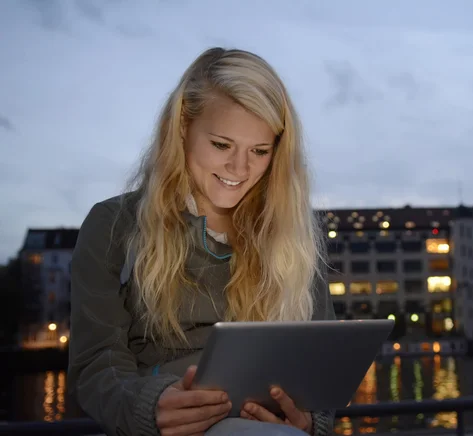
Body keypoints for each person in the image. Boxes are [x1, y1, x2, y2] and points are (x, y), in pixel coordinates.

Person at [67, 47, 337, 436]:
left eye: (260, 151)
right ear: (182, 128)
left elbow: (322, 363)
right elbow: (97, 363)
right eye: (222, 145)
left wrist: (310, 420)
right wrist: (150, 407)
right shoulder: (114, 225)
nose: (240, 169)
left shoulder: (293, 235)